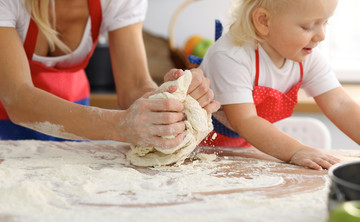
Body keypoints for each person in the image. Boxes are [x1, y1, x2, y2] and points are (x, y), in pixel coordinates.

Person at [0, 0, 220, 149]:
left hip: (77, 126)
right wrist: (118, 125)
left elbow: (134, 85)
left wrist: (167, 102)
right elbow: (17, 98)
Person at [198, 0, 360, 170]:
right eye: (307, 26)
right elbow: (245, 120)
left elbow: (341, 105)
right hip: (201, 151)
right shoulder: (231, 56)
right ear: (263, 21)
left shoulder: (307, 56)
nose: (322, 36)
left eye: (325, 22)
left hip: (246, 148)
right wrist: (296, 150)